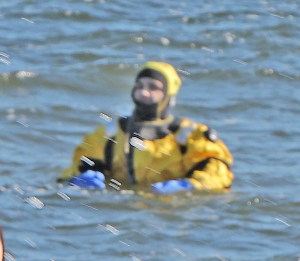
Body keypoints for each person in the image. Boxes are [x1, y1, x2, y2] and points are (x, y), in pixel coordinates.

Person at [60, 61, 233, 194]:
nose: (144, 93)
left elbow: (218, 172)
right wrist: (77, 178)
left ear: (168, 95)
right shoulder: (111, 133)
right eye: (140, 86)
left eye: (153, 88)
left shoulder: (189, 135)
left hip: (168, 211)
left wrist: (189, 186)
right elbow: (78, 165)